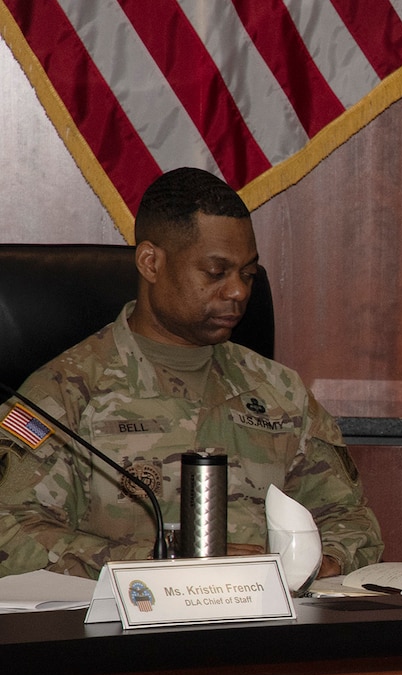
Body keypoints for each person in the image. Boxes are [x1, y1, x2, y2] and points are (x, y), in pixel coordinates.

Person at [0, 167, 382, 579]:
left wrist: (316, 565)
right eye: (216, 273)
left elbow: (351, 520)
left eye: (248, 274)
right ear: (151, 262)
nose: (238, 291)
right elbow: (10, 532)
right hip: (126, 630)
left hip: (264, 628)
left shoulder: (280, 392)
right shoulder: (63, 394)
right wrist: (162, 564)